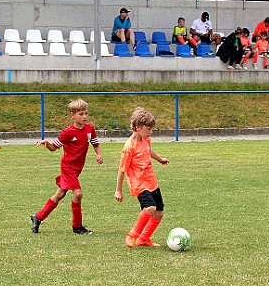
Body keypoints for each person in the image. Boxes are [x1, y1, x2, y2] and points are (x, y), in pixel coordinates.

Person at [30, 99, 103, 234]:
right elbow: (53, 148)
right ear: (72, 115)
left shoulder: (89, 129)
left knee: (60, 194)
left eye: (86, 113)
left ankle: (38, 217)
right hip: (68, 167)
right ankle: (77, 227)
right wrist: (46, 143)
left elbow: (95, 143)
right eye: (81, 114)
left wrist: (99, 154)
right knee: (78, 194)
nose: (85, 117)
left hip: (77, 168)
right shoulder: (67, 132)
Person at [115, 107, 169, 247]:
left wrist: (160, 159)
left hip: (151, 181)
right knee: (150, 207)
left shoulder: (145, 140)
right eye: (148, 129)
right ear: (138, 127)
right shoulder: (129, 147)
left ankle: (144, 239)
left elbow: (149, 151)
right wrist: (118, 190)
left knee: (159, 213)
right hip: (138, 183)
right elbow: (122, 170)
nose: (151, 133)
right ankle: (133, 235)